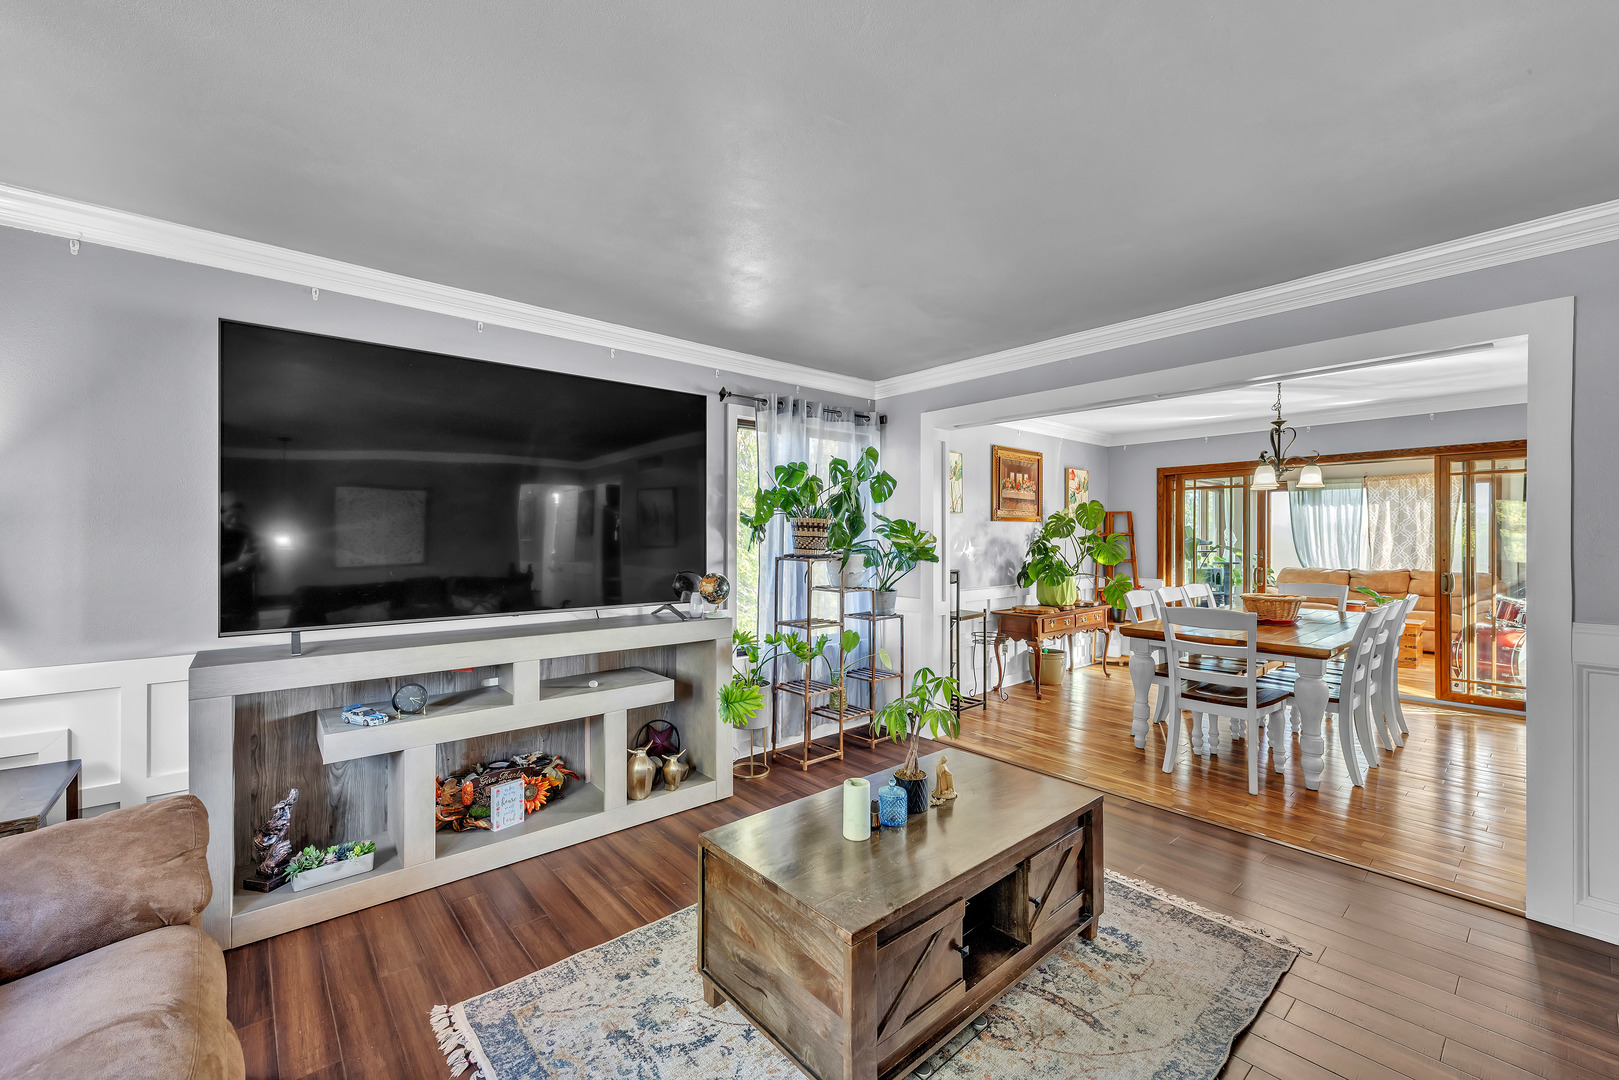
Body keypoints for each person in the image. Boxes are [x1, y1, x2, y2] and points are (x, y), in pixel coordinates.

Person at [220, 493, 262, 632]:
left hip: (247, 607)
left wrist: (261, 556)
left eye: (238, 516)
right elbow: (210, 576)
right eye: (230, 516)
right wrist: (239, 563)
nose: (235, 521)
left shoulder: (245, 532)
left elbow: (259, 567)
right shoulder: (210, 534)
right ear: (220, 511)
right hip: (224, 611)